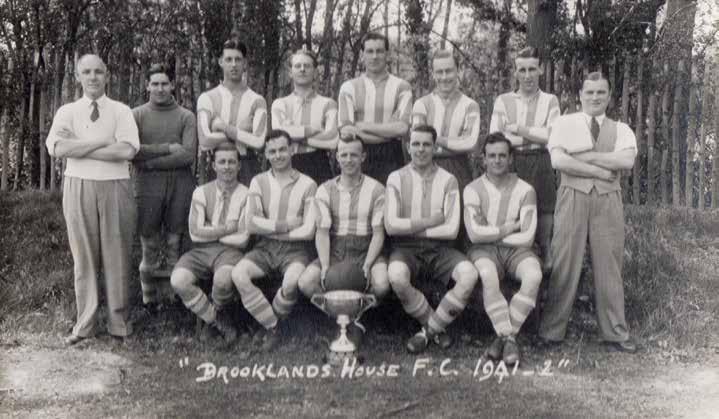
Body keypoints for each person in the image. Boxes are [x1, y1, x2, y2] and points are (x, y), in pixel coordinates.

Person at [538, 72, 638, 353]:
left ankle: (615, 333)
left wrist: (586, 156)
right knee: (564, 261)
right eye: (590, 92)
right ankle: (551, 331)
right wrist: (600, 170)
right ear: (580, 95)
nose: (595, 97)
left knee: (609, 265)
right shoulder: (565, 123)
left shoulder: (621, 129)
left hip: (607, 200)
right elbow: (559, 160)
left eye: (601, 92)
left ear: (609, 97)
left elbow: (626, 160)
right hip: (572, 196)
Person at [46, 54, 139, 345]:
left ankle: (119, 325)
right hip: (78, 185)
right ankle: (85, 325)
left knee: (117, 255)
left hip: (116, 185)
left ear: (107, 75)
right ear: (78, 76)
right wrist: (103, 142)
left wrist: (79, 146)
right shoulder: (68, 111)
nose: (93, 77)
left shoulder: (121, 111)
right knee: (83, 257)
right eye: (86, 72)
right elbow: (57, 148)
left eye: (98, 71)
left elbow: (127, 151)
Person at [385, 125, 478, 354]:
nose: (421, 149)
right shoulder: (395, 178)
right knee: (396, 276)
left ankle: (427, 332)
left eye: (426, 144)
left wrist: (410, 227)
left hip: (439, 249)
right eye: (415, 144)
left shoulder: (448, 180)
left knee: (469, 274)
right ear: (408, 147)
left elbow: (451, 231)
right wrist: (432, 221)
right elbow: (391, 226)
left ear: (435, 148)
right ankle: (435, 325)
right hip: (406, 249)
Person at [297, 135, 389, 343]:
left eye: (354, 155)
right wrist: (325, 266)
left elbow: (378, 233)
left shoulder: (377, 189)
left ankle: (359, 319)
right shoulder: (324, 189)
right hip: (335, 248)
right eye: (344, 155)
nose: (348, 160)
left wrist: (367, 265)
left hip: (367, 247)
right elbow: (322, 232)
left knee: (382, 284)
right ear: (336, 157)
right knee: (306, 282)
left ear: (363, 157)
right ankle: (340, 320)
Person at [231, 129, 317, 352]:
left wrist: (268, 227)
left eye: (282, 150)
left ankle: (269, 327)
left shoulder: (308, 184)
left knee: (291, 282)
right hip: (265, 248)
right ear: (266, 154)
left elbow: (308, 231)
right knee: (238, 274)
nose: (278, 155)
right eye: (272, 151)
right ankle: (273, 327)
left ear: (292, 150)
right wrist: (286, 225)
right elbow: (251, 224)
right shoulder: (258, 182)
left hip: (295, 250)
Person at [464, 133, 542, 365]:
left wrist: (491, 234)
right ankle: (510, 339)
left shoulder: (526, 190)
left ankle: (505, 337)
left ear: (510, 159)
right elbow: (474, 235)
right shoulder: (472, 189)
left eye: (502, 156)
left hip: (517, 250)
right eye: (492, 156)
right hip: (484, 251)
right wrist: (509, 227)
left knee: (533, 275)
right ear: (483, 159)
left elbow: (527, 237)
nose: (497, 160)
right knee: (487, 274)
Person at [132, 63, 196, 311]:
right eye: (155, 84)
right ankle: (148, 299)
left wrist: (150, 163)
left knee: (173, 243)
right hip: (147, 186)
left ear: (172, 85)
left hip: (180, 185)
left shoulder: (186, 116)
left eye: (164, 83)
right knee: (149, 244)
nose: (160, 88)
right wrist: (167, 148)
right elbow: (132, 150)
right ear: (147, 86)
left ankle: (172, 298)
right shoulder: (136, 115)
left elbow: (187, 155)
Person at [489, 47, 560, 271]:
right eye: (522, 70)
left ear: (541, 69)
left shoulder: (550, 101)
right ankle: (515, 252)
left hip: (541, 160)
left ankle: (545, 250)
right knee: (512, 205)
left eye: (532, 69)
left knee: (545, 205)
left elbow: (552, 136)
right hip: (513, 161)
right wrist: (535, 135)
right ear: (516, 72)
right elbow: (497, 137)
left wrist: (519, 129)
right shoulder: (503, 101)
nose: (527, 75)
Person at [170, 142, 249, 342]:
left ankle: (217, 317)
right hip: (201, 251)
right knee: (178, 280)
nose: (227, 167)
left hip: (231, 252)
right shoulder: (201, 192)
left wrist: (209, 228)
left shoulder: (247, 194)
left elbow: (242, 239)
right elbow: (195, 234)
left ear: (239, 165)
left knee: (222, 281)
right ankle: (215, 321)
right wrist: (228, 228)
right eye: (222, 162)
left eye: (231, 162)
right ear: (213, 165)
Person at [338, 32, 412, 184]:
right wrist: (388, 131)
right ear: (362, 55)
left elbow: (402, 128)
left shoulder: (401, 86)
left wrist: (362, 125)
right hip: (358, 153)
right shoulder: (349, 87)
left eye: (379, 51)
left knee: (390, 196)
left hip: (392, 155)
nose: (375, 56)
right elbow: (347, 131)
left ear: (387, 54)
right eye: (370, 51)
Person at [197, 37, 267, 184]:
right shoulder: (207, 98)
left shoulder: (257, 100)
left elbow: (259, 141)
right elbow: (204, 141)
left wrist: (223, 127)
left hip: (247, 166)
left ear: (245, 63)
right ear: (220, 62)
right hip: (218, 165)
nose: (234, 64)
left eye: (238, 59)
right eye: (228, 59)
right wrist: (241, 131)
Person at [412, 49, 480, 192]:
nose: (444, 77)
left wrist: (434, 139)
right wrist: (457, 143)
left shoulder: (470, 105)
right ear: (433, 73)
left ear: (458, 71)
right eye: (439, 72)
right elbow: (419, 143)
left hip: (459, 168)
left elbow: (470, 143)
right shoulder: (421, 104)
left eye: (448, 71)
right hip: (427, 168)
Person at [271, 48, 339, 185]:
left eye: (307, 66)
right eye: (297, 66)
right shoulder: (280, 104)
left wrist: (294, 134)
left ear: (315, 72)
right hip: (287, 163)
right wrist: (314, 131)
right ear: (290, 72)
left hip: (318, 164)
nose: (302, 69)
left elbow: (332, 141)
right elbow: (279, 137)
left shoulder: (328, 104)